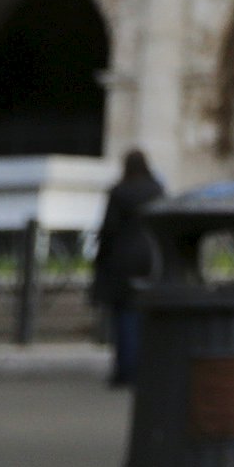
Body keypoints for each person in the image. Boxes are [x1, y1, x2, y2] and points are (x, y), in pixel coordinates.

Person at [92, 149, 167, 387]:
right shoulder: (157, 190)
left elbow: (109, 229)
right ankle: (145, 368)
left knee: (124, 317)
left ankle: (126, 370)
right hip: (150, 257)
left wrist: (100, 259)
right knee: (144, 316)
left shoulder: (120, 191)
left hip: (122, 259)